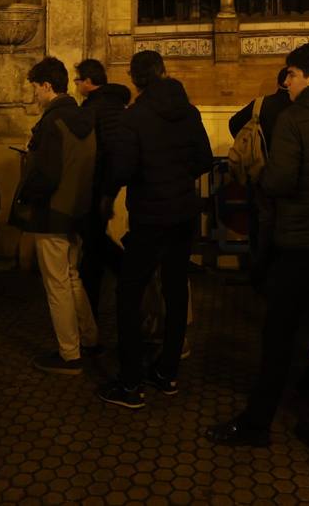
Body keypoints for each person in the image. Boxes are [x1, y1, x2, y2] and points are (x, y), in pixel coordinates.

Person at [207, 43, 309, 461]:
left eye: (292, 74)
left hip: (298, 243)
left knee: (278, 335)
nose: (286, 82)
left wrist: (261, 176)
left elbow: (280, 182)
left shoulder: (296, 119)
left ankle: (256, 423)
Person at [98, 50, 213, 409]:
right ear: (163, 72)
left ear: (135, 79)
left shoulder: (134, 118)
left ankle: (130, 382)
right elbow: (204, 160)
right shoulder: (188, 111)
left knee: (129, 294)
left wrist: (143, 182)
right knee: (176, 290)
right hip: (182, 213)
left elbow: (121, 171)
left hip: (149, 216)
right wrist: (178, 179)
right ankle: (167, 372)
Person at [12, 57, 99, 375]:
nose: (33, 94)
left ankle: (69, 353)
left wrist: (26, 192)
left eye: (35, 87)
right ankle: (89, 337)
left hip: (52, 212)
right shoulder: (84, 118)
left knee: (57, 284)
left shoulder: (51, 123)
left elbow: (47, 174)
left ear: (47, 86)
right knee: (73, 277)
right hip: (78, 209)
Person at [73, 58, 131, 325]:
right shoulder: (118, 105)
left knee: (94, 249)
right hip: (111, 185)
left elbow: (102, 151)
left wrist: (104, 191)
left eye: (77, 80)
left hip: (98, 186)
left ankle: (91, 312)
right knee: (98, 243)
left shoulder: (95, 108)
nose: (75, 85)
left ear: (88, 82)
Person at [228, 67, 291, 275]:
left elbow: (234, 123)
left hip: (261, 171)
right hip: (291, 176)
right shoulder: (300, 106)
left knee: (263, 220)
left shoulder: (261, 104)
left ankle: (260, 268)